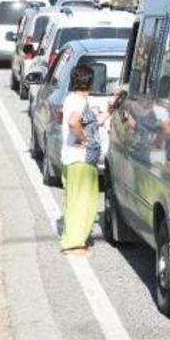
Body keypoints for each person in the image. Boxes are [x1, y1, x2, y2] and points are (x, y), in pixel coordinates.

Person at [60, 64, 115, 254]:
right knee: (82, 203)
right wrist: (83, 139)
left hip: (72, 160)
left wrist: (111, 110)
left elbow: (92, 121)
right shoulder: (78, 102)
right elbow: (74, 122)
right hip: (81, 160)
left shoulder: (73, 99)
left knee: (74, 201)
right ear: (90, 81)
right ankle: (75, 245)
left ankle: (73, 239)